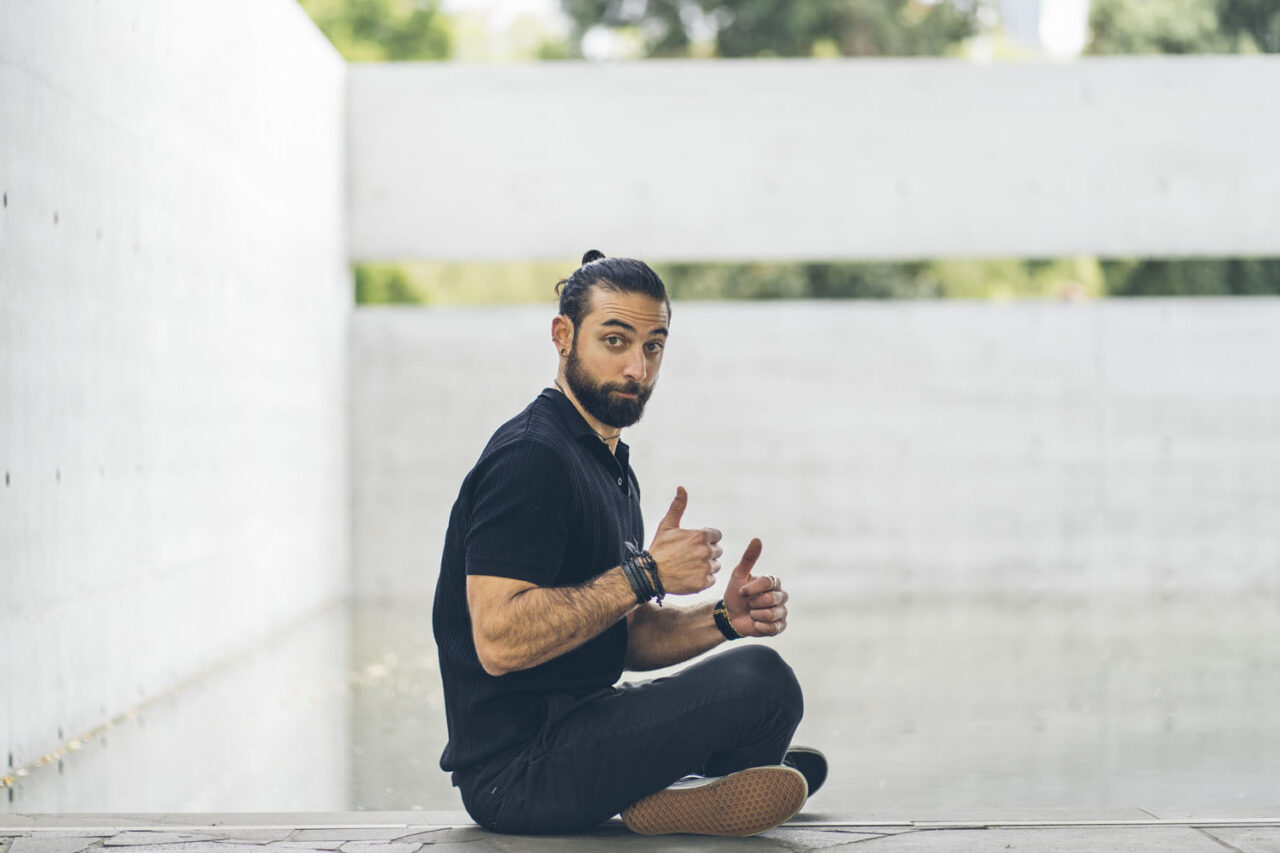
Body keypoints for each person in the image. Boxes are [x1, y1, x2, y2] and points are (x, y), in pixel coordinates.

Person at [432, 250, 825, 837]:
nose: (637, 369)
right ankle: (688, 782)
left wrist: (723, 618)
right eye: (614, 341)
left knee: (769, 688)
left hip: (581, 728)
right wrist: (646, 574)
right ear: (563, 336)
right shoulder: (532, 457)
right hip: (515, 775)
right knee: (760, 684)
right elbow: (498, 641)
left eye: (653, 346)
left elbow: (624, 636)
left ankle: (681, 787)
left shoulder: (608, 465)